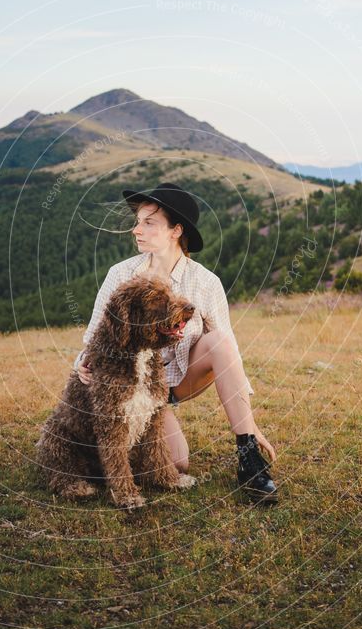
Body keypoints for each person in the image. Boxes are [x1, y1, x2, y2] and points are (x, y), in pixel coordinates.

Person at [73, 182, 278, 502]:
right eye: (137, 222)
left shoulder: (206, 282)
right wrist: (83, 364)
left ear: (175, 230)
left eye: (148, 222)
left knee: (220, 342)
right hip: (134, 385)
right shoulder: (120, 274)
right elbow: (93, 337)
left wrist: (250, 426)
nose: (136, 230)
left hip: (181, 380)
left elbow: (231, 355)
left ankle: (249, 459)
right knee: (178, 462)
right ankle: (122, 450)